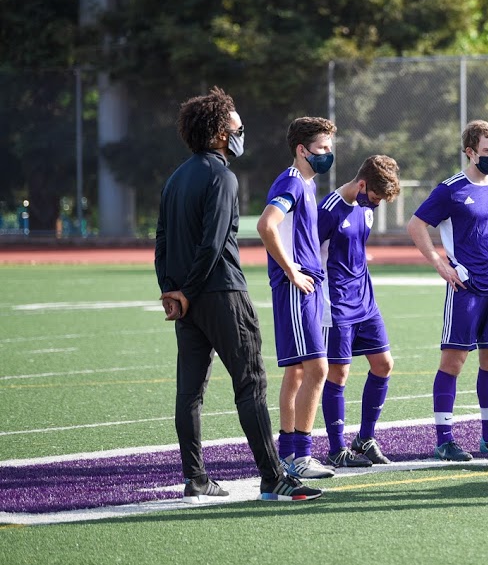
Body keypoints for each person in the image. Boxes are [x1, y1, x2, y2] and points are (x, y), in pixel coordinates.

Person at [155, 87, 322, 503]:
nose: (240, 131)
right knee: (251, 385)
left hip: (187, 300)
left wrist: (172, 292)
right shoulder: (222, 176)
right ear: (217, 132)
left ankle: (195, 478)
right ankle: (273, 477)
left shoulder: (176, 178)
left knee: (189, 393)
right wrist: (189, 292)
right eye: (235, 125)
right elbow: (213, 246)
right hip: (223, 293)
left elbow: (160, 242)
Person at [407, 120, 488, 461]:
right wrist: (441, 265)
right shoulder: (450, 190)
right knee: (454, 361)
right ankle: (444, 439)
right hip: (465, 287)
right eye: (487, 151)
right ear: (470, 152)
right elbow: (416, 225)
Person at [257, 116, 338, 480]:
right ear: (302, 150)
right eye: (322, 148)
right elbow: (266, 224)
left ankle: (288, 452)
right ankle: (301, 456)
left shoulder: (307, 182)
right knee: (317, 369)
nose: (328, 154)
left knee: (297, 371)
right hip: (296, 287)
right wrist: (291, 270)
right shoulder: (291, 181)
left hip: (309, 284)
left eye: (329, 148)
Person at [317, 155, 402, 468]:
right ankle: (337, 449)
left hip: (365, 302)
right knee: (338, 373)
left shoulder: (366, 208)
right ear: (362, 184)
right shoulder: (328, 210)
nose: (377, 204)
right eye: (376, 197)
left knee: (383, 364)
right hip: (335, 303)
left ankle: (365, 439)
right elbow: (308, 252)